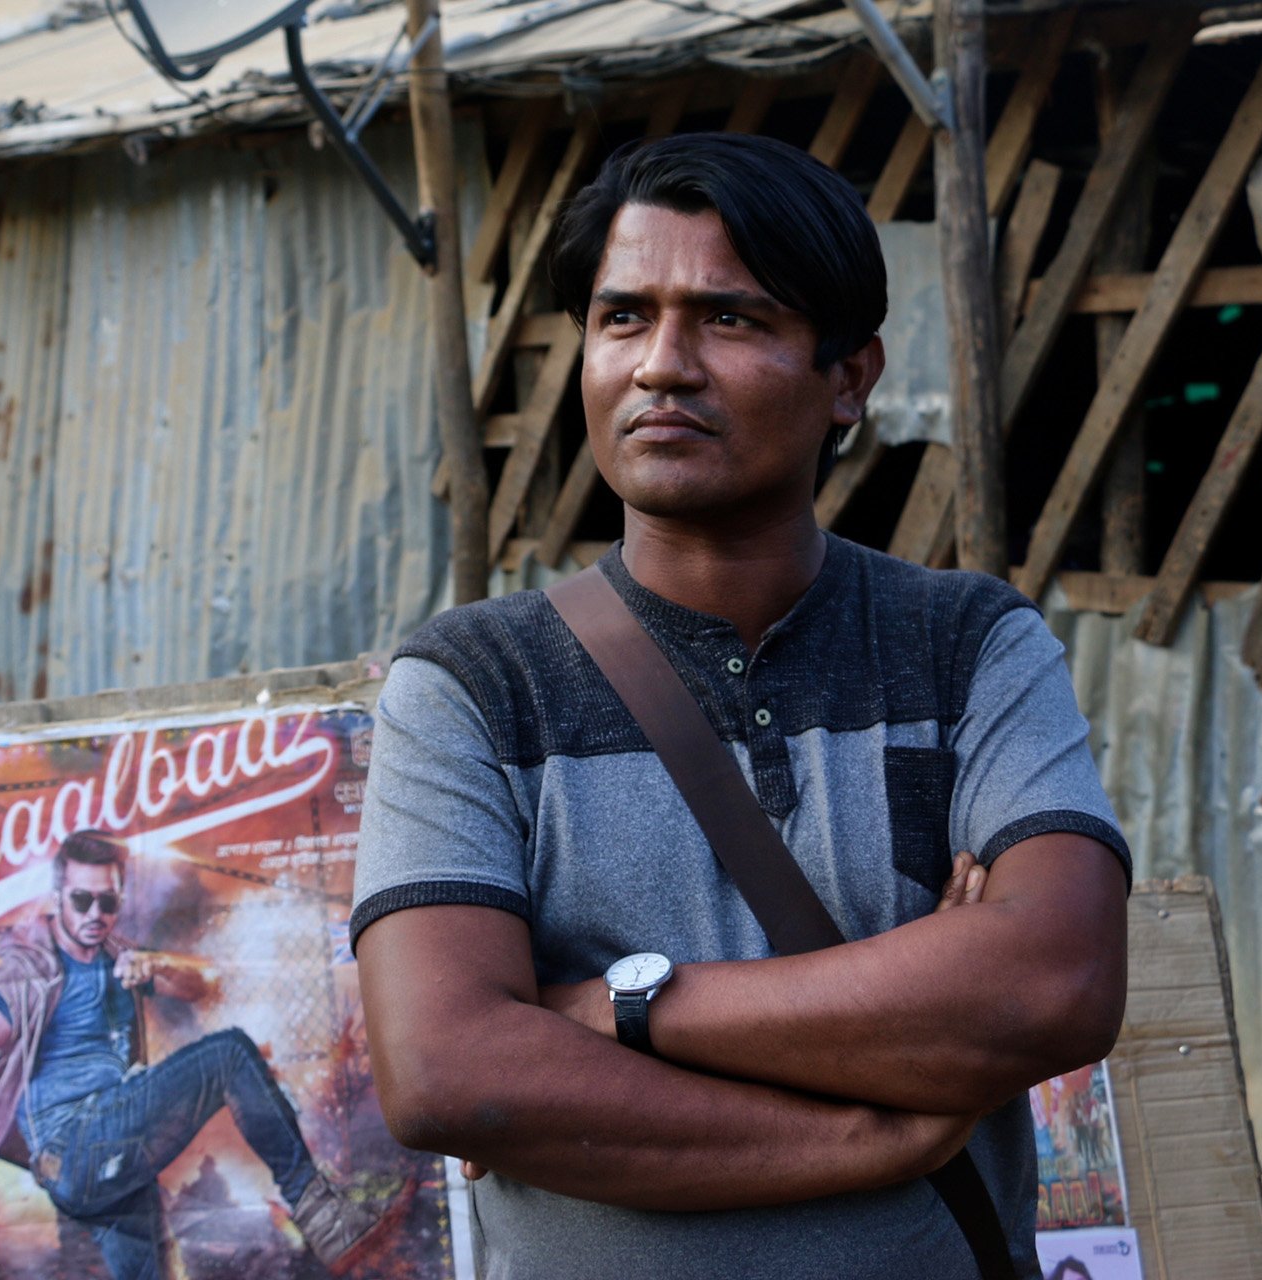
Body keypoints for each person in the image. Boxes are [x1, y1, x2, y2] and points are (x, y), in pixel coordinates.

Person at [351, 133, 1131, 1279]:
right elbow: (447, 1069)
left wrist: (615, 1010)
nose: (661, 364)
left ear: (849, 379)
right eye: (623, 318)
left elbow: (1051, 980)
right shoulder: (474, 682)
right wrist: (878, 1124)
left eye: (729, 318)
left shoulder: (966, 645)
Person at [0, 829, 397, 1279]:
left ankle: (325, 1220)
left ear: (120, 898)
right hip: (75, 1146)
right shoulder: (33, 970)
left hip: (113, 1161)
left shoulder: (118, 956)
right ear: (57, 896)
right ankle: (322, 1217)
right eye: (81, 899)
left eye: (107, 901)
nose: (94, 913)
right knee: (229, 1054)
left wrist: (159, 964)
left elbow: (199, 988)